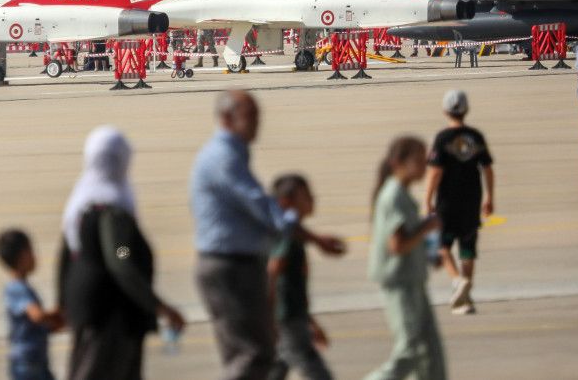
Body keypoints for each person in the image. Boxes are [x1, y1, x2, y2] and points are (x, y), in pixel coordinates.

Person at [191, 91, 346, 380]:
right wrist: (312, 237)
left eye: (257, 116)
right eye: (250, 116)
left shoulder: (232, 153)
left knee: (258, 356)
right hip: (228, 268)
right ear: (227, 119)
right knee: (251, 355)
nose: (257, 123)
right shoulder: (224, 157)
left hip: (234, 265)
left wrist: (311, 238)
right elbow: (262, 208)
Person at [59, 127, 184, 380]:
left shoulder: (80, 204)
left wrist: (62, 303)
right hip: (110, 314)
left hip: (85, 307)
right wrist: (159, 306)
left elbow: (67, 258)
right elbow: (120, 259)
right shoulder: (113, 209)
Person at [366, 136, 446, 380]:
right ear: (398, 163)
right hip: (401, 284)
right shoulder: (393, 196)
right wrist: (426, 228)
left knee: (431, 355)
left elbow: (407, 238)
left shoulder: (402, 194)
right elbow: (398, 245)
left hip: (413, 280)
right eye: (419, 160)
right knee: (410, 352)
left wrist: (428, 252)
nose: (425, 166)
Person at [423, 90, 494, 315]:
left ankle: (457, 281)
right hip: (472, 199)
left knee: (442, 245)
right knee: (468, 248)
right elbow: (487, 168)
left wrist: (427, 200)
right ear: (466, 110)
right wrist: (490, 197)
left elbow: (435, 172)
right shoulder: (475, 136)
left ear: (445, 110)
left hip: (448, 200)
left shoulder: (442, 138)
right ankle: (466, 298)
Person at [268, 174, 335, 380]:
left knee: (276, 370)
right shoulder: (287, 237)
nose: (312, 199)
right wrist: (269, 315)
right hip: (288, 320)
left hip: (292, 318)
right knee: (316, 371)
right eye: (306, 195)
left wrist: (311, 323)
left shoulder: (293, 235)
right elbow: (273, 271)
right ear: (286, 202)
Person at [0, 229, 63, 380]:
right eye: (31, 251)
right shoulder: (16, 288)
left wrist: (55, 324)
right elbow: (37, 316)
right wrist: (57, 314)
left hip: (36, 360)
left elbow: (35, 324)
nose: (35, 256)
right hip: (27, 362)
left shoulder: (23, 287)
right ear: (22, 256)